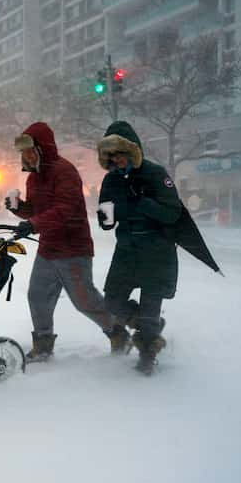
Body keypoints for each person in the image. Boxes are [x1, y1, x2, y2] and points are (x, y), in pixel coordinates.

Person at [6, 121, 128, 362]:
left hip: (73, 249)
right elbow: (37, 211)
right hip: (49, 250)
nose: (26, 156)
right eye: (23, 153)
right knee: (38, 295)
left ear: (43, 148)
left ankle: (118, 333)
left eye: (30, 150)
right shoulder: (33, 178)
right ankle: (43, 344)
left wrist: (33, 224)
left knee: (84, 301)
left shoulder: (65, 171)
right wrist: (19, 208)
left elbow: (65, 210)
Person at [96, 121, 183, 375]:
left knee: (149, 310)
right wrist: (105, 217)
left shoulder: (155, 174)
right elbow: (106, 219)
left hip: (158, 253)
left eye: (120, 155)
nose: (117, 161)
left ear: (132, 152)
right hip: (127, 252)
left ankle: (147, 359)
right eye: (111, 157)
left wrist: (143, 203)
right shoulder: (110, 181)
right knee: (112, 300)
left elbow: (172, 213)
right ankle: (148, 326)